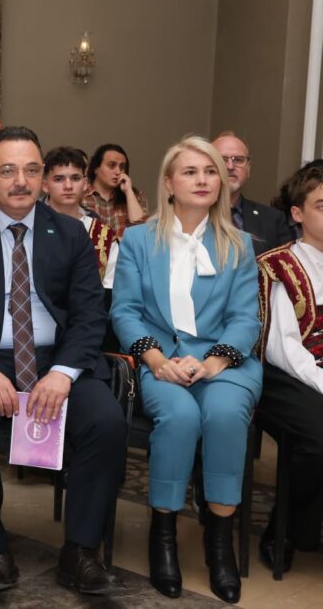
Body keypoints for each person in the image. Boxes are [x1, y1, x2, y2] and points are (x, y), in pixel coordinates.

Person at [0, 126, 126, 597]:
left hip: (57, 359)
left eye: (31, 170)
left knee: (106, 423)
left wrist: (63, 373)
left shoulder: (71, 233)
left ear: (42, 176)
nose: (21, 181)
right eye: (8, 170)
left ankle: (81, 550)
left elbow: (89, 314)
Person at [111, 136, 260, 603]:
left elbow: (245, 319)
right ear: (169, 183)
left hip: (226, 362)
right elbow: (125, 311)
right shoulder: (138, 240)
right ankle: (164, 537)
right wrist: (156, 361)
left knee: (224, 415)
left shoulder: (239, 244)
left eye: (211, 171)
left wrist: (215, 362)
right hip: (161, 360)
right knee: (179, 417)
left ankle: (220, 546)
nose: (203, 180)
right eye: (191, 171)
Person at [257, 161, 323, 571]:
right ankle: (285, 527)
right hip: (285, 376)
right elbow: (283, 348)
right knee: (319, 438)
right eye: (322, 205)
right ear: (297, 213)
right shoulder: (279, 264)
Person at [43, 146, 118, 286]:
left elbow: (110, 289)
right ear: (45, 186)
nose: (68, 186)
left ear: (85, 184)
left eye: (75, 178)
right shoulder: (31, 227)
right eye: (59, 179)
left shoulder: (104, 235)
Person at [213, 131, 293, 255]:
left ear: (248, 170)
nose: (230, 166)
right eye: (222, 159)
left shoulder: (273, 220)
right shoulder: (191, 214)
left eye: (238, 160)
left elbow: (284, 264)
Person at [83, 143, 148, 236]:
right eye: (111, 165)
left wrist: (128, 192)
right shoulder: (81, 196)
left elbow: (142, 232)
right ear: (96, 168)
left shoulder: (136, 196)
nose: (118, 172)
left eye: (122, 167)